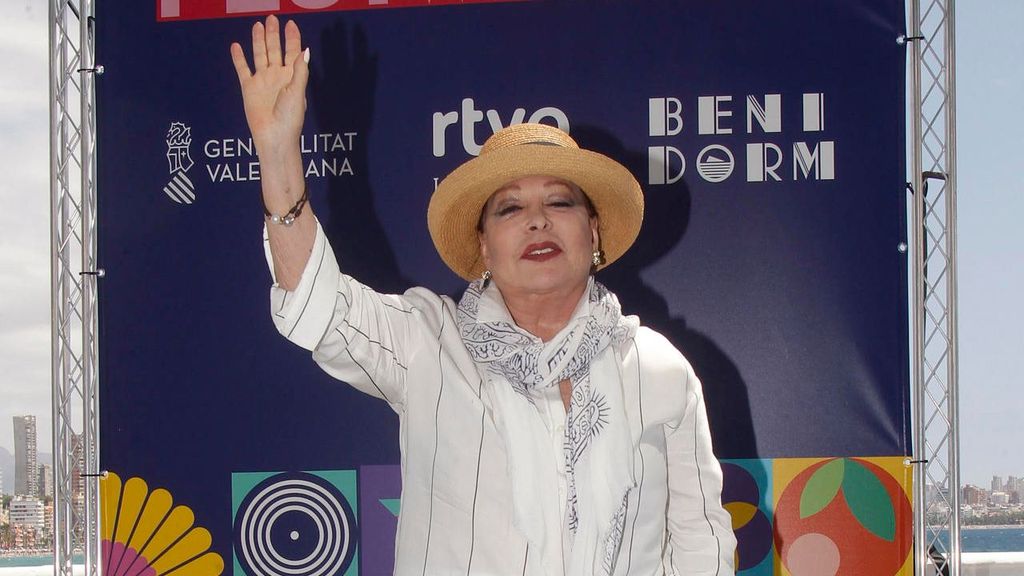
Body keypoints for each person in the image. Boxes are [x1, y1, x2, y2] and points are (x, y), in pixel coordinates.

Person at [231, 15, 736, 576]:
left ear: (593, 232)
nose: (538, 221)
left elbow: (702, 547)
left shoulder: (659, 370)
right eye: (510, 208)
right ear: (484, 246)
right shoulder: (428, 343)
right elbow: (320, 308)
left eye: (560, 202)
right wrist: (277, 156)